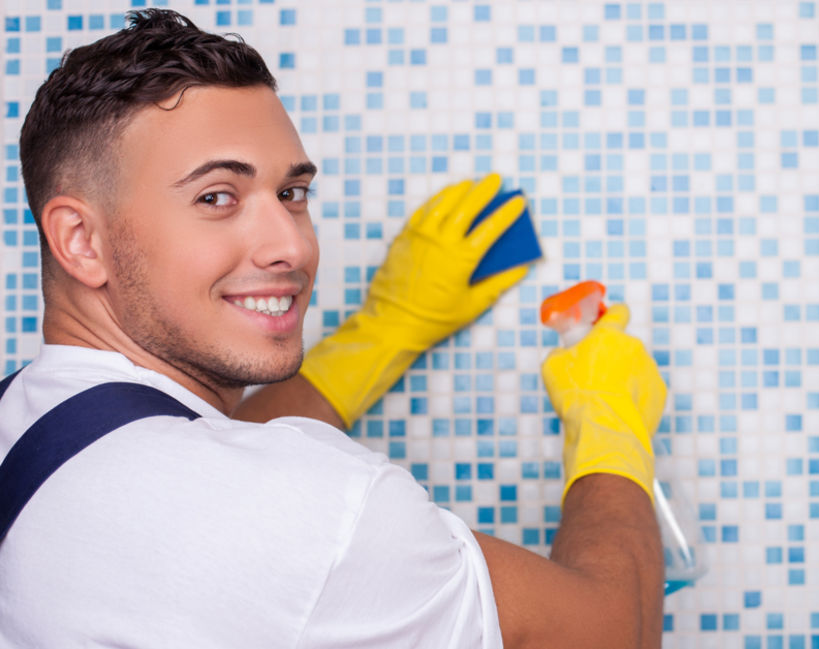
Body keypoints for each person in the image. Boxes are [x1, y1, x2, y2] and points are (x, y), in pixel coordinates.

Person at [0, 9, 667, 648]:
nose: (290, 245)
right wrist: (611, 426)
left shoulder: (28, 422)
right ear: (81, 240)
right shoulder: (319, 515)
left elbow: (198, 472)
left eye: (292, 194)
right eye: (217, 198)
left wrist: (384, 331)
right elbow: (614, 633)